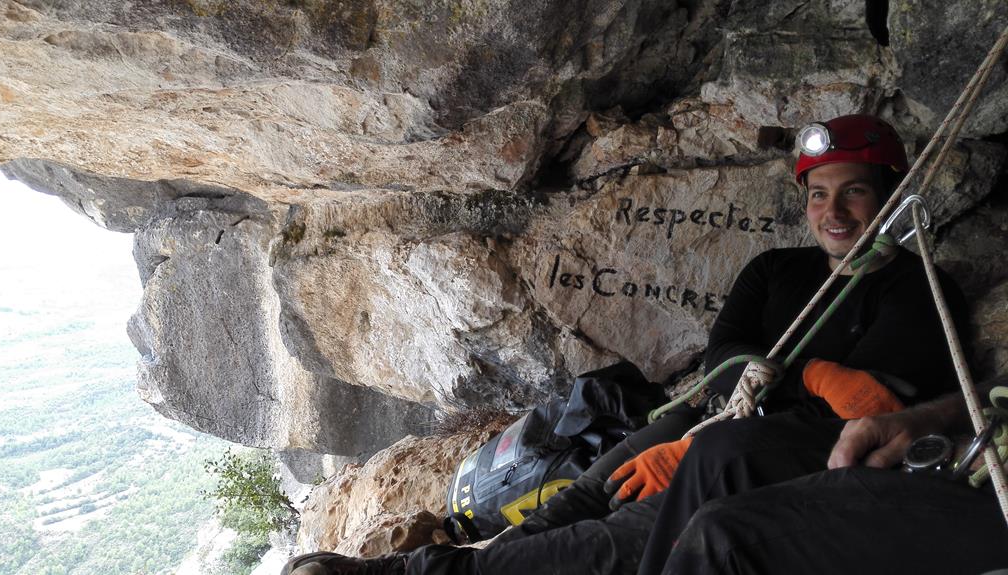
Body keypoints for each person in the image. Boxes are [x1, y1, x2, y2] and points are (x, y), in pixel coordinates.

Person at [281, 114, 969, 575]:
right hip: (721, 415)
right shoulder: (777, 270)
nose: (834, 212)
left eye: (853, 193)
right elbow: (724, 356)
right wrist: (806, 374)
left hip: (784, 449)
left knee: (616, 535)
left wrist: (782, 382)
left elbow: (868, 401)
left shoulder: (918, 287)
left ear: (890, 197)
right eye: (819, 195)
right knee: (584, 494)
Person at [637, 377, 1008, 575]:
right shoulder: (774, 270)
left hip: (990, 502)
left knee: (722, 541)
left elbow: (899, 363)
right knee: (723, 450)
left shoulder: (906, 287)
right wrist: (928, 416)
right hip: (962, 450)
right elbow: (726, 357)